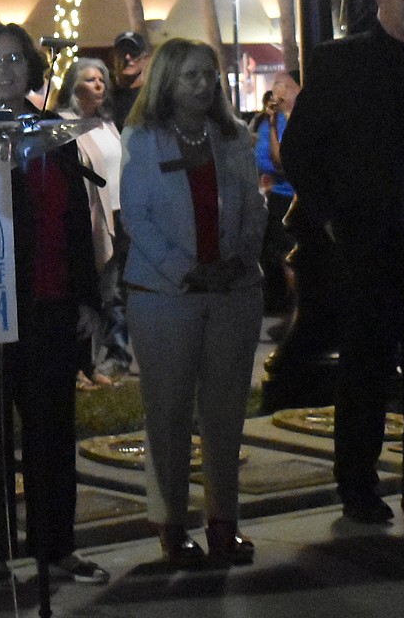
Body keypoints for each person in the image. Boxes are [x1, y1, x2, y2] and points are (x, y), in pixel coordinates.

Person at [277, 0, 404, 525]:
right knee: (364, 372)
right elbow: (301, 151)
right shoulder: (338, 63)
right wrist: (330, 216)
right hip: (364, 249)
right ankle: (356, 484)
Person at [0, 24, 108, 588]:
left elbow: (76, 219)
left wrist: (87, 299)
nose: (4, 69)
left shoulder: (55, 136)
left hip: (49, 305)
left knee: (52, 437)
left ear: (32, 68)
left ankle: (56, 548)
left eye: (15, 58)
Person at [119, 38, 268, 566]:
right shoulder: (142, 139)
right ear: (166, 82)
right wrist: (186, 271)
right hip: (166, 297)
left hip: (232, 291)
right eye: (191, 77)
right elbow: (137, 217)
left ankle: (224, 522)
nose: (203, 85)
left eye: (209, 75)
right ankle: (172, 524)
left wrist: (239, 260)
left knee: (225, 413)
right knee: (169, 412)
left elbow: (254, 208)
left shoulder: (234, 138)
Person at [55, 56, 131, 387]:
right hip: (87, 221)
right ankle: (77, 364)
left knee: (111, 295)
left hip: (118, 216)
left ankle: (102, 360)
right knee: (85, 296)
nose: (98, 84)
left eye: (101, 79)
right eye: (89, 79)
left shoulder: (108, 125)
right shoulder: (64, 125)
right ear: (73, 85)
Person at [253, 71, 300, 317]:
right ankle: (282, 305)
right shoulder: (273, 119)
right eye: (273, 86)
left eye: (281, 85)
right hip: (276, 195)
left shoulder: (298, 118)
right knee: (272, 252)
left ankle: (295, 311)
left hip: (292, 195)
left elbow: (280, 160)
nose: (275, 92)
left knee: (288, 256)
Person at [107, 31, 150, 127]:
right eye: (122, 52)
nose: (127, 57)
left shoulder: (153, 97)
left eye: (134, 52)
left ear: (146, 59)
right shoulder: (106, 96)